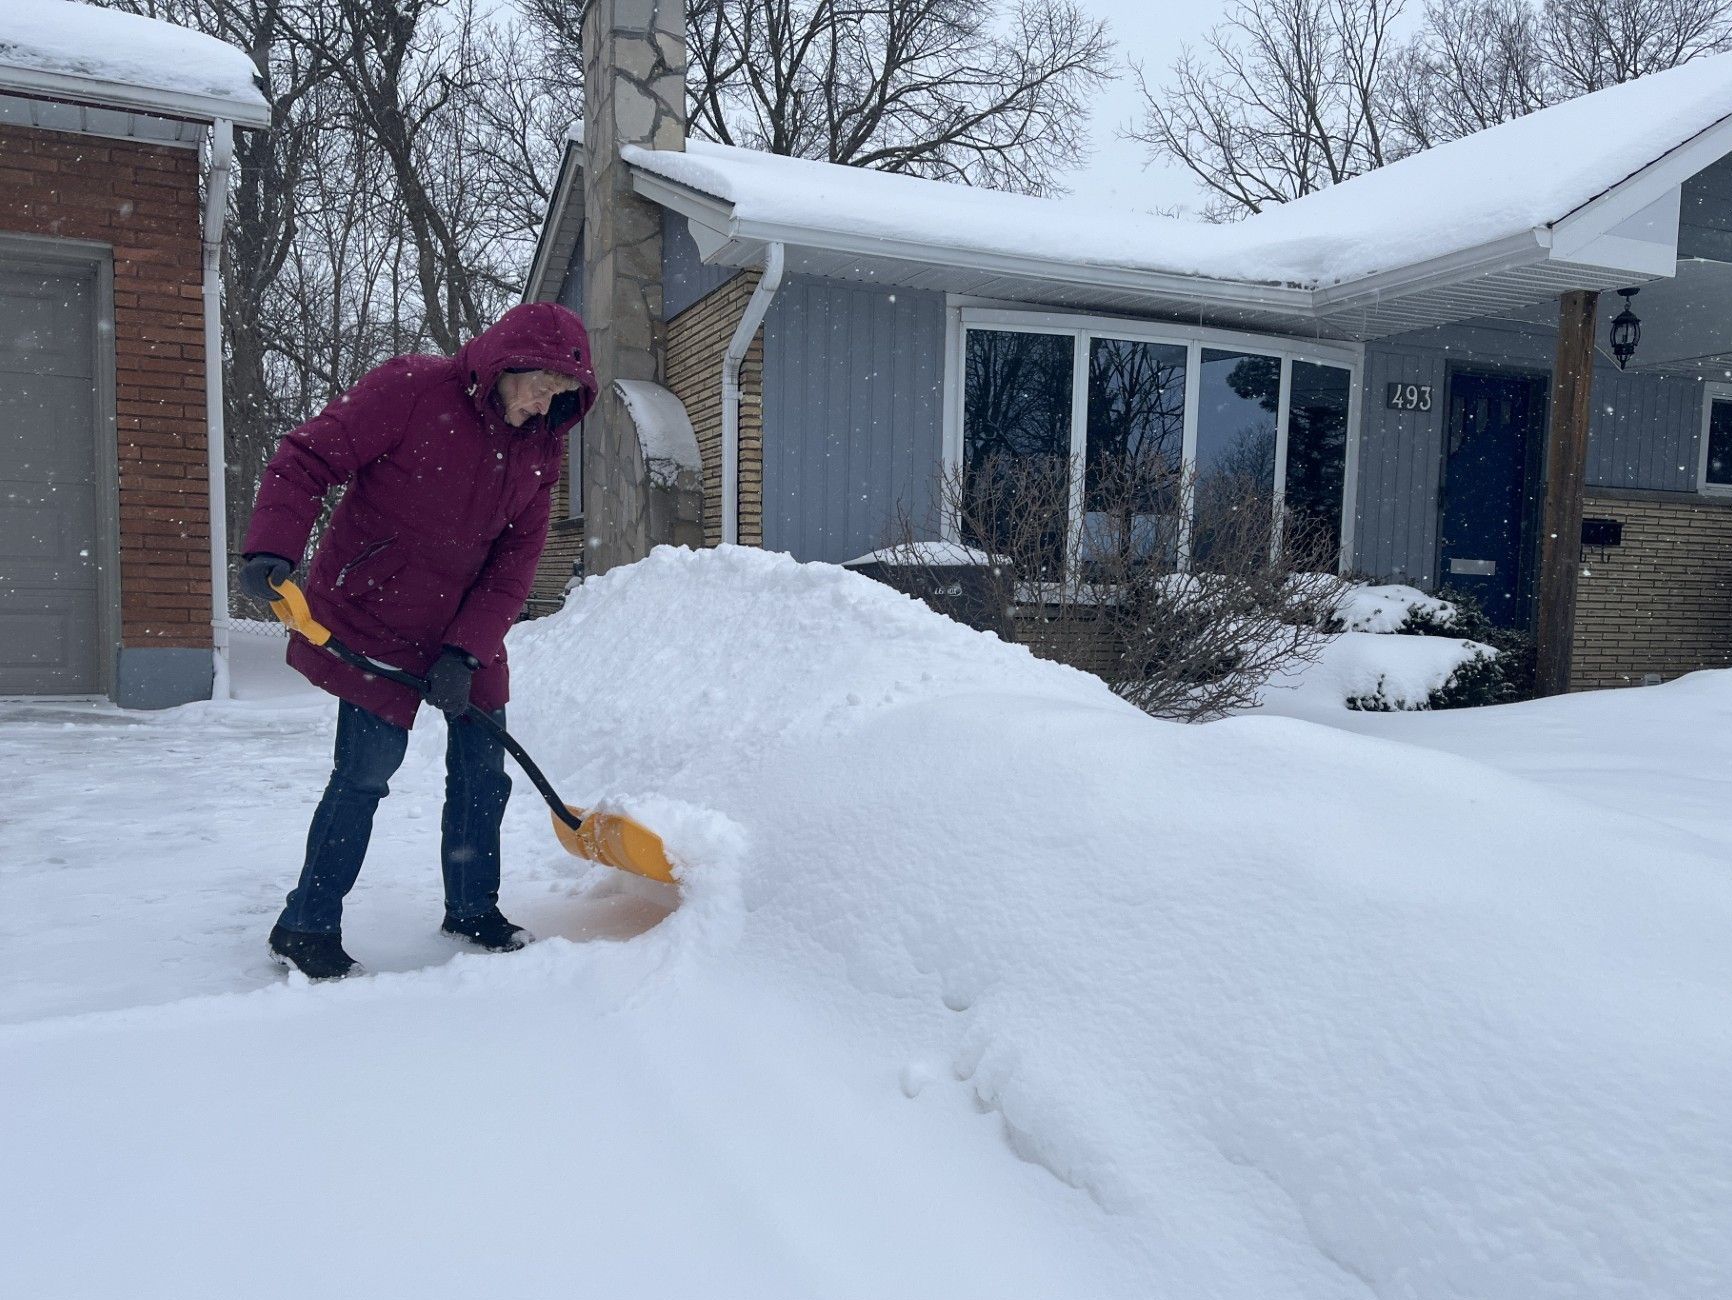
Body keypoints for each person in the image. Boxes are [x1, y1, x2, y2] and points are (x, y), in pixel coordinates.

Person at [238, 302, 597, 981]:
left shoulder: (540, 449)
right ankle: (306, 923)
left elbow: (515, 563)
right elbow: (306, 456)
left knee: (482, 771)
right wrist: (271, 546)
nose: (545, 402)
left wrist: (465, 650)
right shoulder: (411, 389)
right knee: (369, 769)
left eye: (562, 392)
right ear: (501, 365)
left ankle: (472, 908)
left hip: (466, 622)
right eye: (537, 383)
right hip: (375, 610)